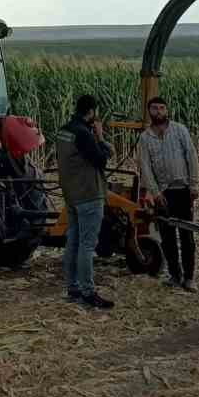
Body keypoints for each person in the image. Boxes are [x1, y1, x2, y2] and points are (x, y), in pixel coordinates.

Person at [54, 93, 115, 310]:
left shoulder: (64, 130)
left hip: (72, 195)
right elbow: (101, 159)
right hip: (89, 195)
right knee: (87, 246)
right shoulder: (83, 134)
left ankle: (73, 288)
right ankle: (88, 292)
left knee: (73, 242)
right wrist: (99, 136)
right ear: (92, 112)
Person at [137, 96, 199, 292]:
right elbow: (145, 167)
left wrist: (194, 184)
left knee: (187, 236)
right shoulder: (145, 138)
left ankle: (189, 278)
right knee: (167, 236)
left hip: (182, 190)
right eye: (154, 108)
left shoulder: (180, 130)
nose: (158, 111)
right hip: (162, 194)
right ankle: (175, 275)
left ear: (167, 110)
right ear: (149, 112)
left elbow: (191, 156)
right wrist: (155, 193)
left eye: (162, 108)